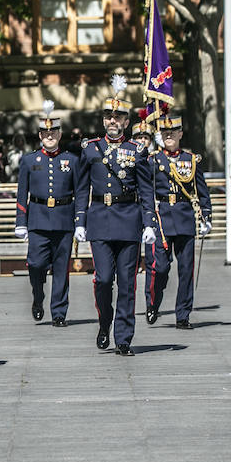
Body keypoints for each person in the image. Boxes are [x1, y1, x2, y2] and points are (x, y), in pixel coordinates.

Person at [74, 84, 154, 356]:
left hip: (129, 220)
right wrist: (80, 221)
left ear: (126, 122)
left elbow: (145, 189)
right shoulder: (90, 149)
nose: (113, 121)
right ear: (103, 120)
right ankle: (104, 321)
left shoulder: (137, 150)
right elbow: (82, 187)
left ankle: (124, 338)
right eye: (108, 116)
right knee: (104, 279)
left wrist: (149, 224)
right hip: (99, 219)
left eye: (118, 117)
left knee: (128, 283)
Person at [143, 114, 212, 330]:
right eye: (165, 133)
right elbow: (146, 190)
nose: (169, 135)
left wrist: (206, 216)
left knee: (186, 271)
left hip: (184, 218)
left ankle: (183, 315)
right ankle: (153, 303)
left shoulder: (191, 160)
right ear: (160, 135)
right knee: (160, 268)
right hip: (161, 218)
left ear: (181, 134)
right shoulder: (153, 161)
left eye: (173, 132)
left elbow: (202, 190)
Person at [14, 104, 78, 327]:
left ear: (60, 134)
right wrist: (20, 222)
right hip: (38, 220)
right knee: (36, 264)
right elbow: (22, 193)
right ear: (40, 135)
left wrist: (80, 221)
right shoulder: (29, 161)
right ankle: (38, 295)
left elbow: (79, 193)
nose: (49, 136)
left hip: (63, 219)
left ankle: (59, 312)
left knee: (62, 268)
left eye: (54, 133)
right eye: (45, 133)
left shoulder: (72, 160)